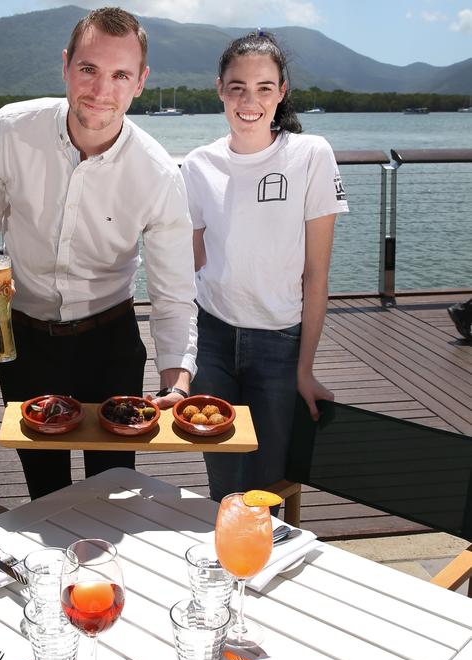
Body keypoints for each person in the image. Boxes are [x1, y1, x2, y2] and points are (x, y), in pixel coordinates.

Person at [0, 7, 197, 499]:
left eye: (120, 75)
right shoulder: (9, 130)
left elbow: (173, 293)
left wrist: (176, 382)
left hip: (110, 342)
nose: (101, 90)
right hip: (21, 338)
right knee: (43, 488)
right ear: (66, 65)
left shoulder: (159, 175)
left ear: (140, 82)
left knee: (111, 487)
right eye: (88, 69)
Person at [180, 30, 349, 502]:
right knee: (225, 483)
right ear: (220, 89)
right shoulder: (197, 166)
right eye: (237, 87)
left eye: (263, 88)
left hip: (280, 342)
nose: (248, 100)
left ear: (282, 92)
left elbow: (316, 274)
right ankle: (227, 570)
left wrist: (305, 368)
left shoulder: (310, 155)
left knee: (272, 485)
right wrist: (180, 360)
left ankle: (267, 571)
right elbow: (190, 270)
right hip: (212, 338)